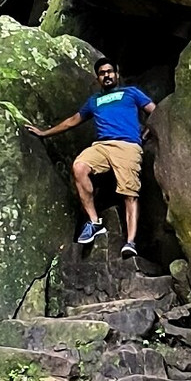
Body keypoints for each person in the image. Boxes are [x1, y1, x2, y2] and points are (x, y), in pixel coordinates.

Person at [26, 57, 156, 257]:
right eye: (102, 73)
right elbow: (72, 121)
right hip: (102, 146)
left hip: (127, 145)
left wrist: (146, 134)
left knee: (129, 193)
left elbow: (154, 112)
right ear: (98, 78)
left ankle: (130, 242)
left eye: (109, 72)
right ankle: (95, 222)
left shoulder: (130, 93)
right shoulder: (94, 101)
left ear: (117, 74)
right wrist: (44, 133)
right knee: (79, 167)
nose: (107, 75)